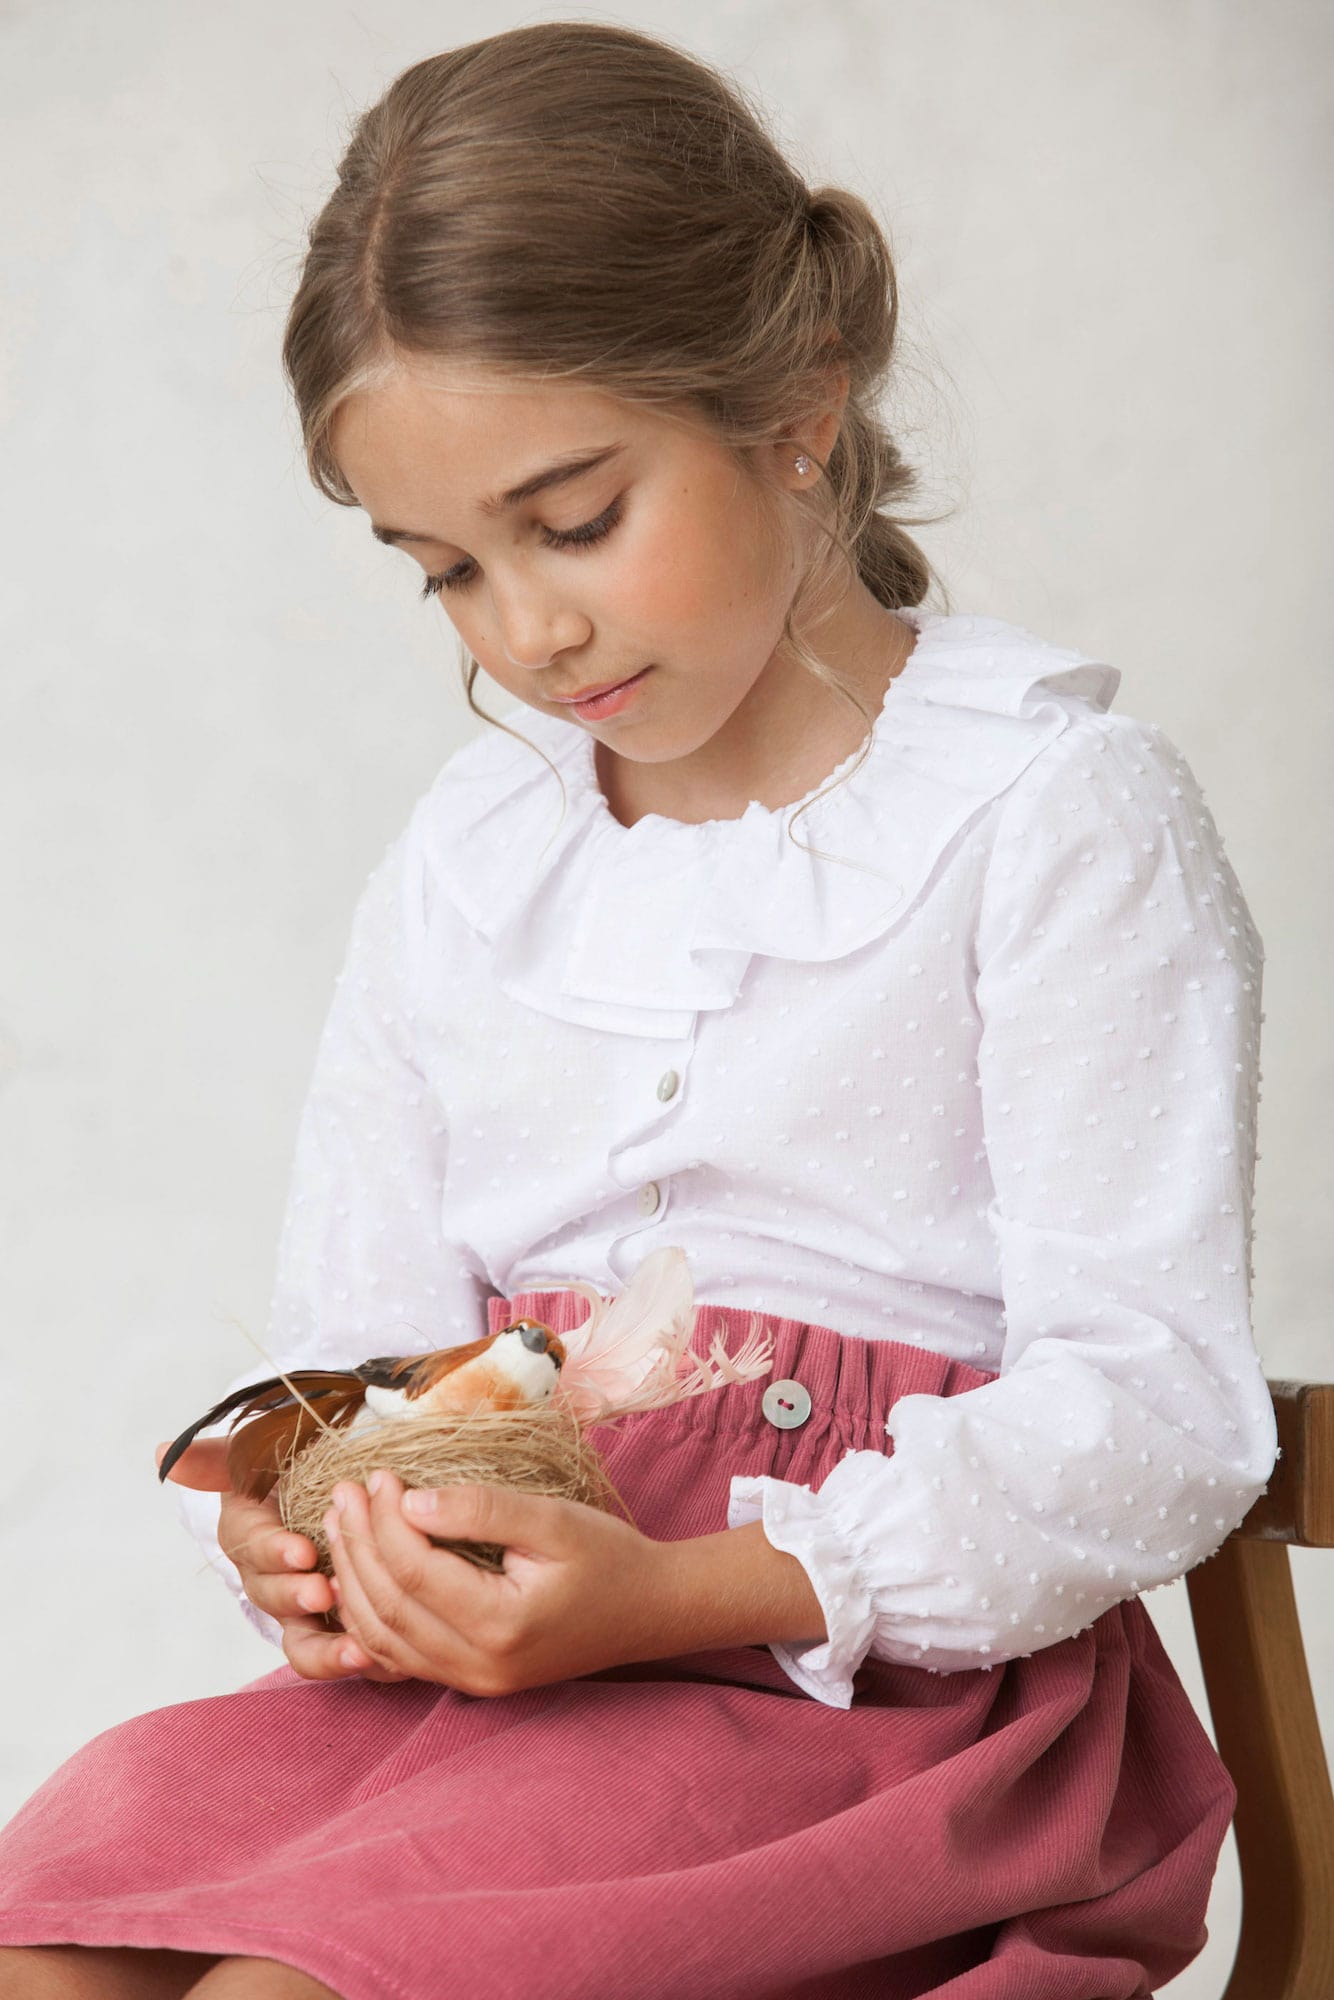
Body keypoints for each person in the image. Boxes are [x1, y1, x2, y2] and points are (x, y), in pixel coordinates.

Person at [0, 20, 1277, 2000]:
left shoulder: (1047, 814)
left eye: (573, 518)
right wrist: (301, 1515)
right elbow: (359, 1330)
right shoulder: (476, 852)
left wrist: (684, 1585)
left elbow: (1155, 1414)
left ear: (794, 407)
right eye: (442, 570)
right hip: (500, 1703)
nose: (529, 629)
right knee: (49, 1952)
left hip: (880, 1715)